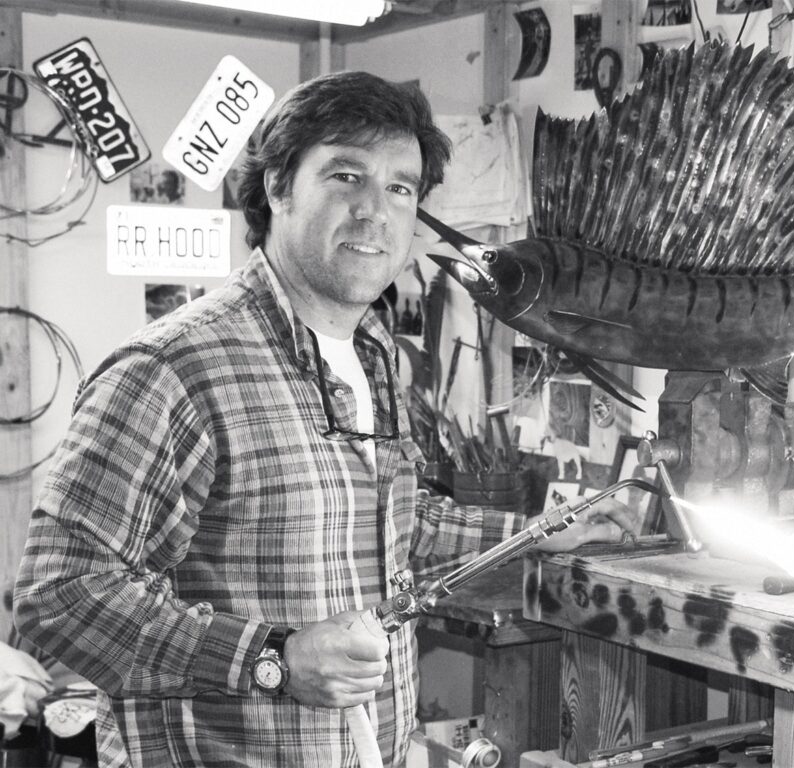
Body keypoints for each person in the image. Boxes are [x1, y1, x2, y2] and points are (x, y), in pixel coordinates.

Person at [14, 72, 642, 768]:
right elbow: (57, 599)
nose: (376, 211)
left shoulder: (373, 354)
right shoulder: (174, 370)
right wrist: (272, 659)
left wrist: (541, 534)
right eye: (346, 175)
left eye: (401, 187)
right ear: (278, 188)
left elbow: (394, 526)